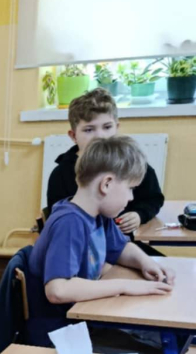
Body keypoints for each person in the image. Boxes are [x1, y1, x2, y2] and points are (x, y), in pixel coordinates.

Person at [26, 135, 174, 347]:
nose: (131, 198)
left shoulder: (97, 215)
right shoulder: (70, 222)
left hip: (84, 319)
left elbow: (121, 248)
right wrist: (124, 286)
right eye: (130, 188)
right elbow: (58, 290)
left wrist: (146, 263)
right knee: (158, 350)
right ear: (106, 184)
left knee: (164, 339)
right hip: (62, 335)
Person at [44, 88, 164, 240]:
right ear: (73, 136)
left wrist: (139, 215)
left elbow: (153, 199)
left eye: (107, 127)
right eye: (89, 130)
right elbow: (60, 224)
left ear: (117, 128)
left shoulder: (132, 164)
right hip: (84, 246)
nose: (100, 136)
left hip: (123, 243)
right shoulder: (61, 175)